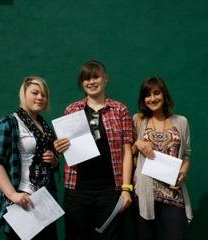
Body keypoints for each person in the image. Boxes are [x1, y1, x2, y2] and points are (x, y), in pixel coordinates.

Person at [54, 60, 134, 240]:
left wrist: (126, 188)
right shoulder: (72, 110)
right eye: (86, 79)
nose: (91, 82)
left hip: (110, 191)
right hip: (77, 191)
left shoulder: (120, 110)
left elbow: (127, 152)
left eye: (95, 77)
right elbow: (65, 149)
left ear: (106, 79)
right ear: (82, 83)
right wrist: (59, 147)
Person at [0, 76, 59, 240]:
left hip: (44, 200)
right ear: (23, 94)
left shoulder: (45, 127)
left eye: (43, 94)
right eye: (35, 92)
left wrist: (54, 161)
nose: (40, 97)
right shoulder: (8, 123)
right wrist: (13, 195)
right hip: (21, 199)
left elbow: (51, 164)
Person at [132, 76, 193, 240]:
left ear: (164, 94)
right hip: (144, 193)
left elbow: (186, 154)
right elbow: (129, 153)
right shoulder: (138, 120)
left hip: (173, 194)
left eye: (156, 93)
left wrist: (183, 174)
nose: (152, 98)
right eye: (147, 95)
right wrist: (138, 143)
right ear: (143, 99)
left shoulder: (181, 122)